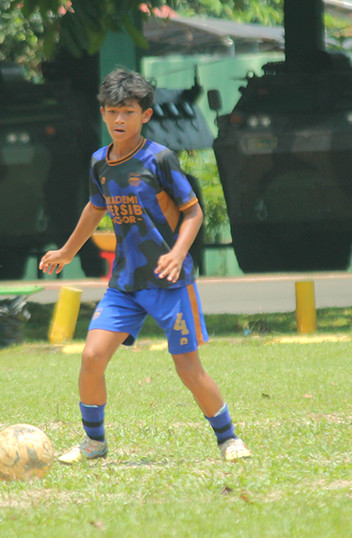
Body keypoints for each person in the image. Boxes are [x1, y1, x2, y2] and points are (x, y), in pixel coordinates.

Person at [40, 68, 251, 464]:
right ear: (103, 113)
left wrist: (177, 254)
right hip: (125, 283)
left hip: (170, 283)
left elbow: (193, 213)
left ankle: (229, 439)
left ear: (146, 115)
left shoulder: (160, 159)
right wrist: (67, 252)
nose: (119, 119)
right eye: (112, 111)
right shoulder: (99, 162)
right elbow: (95, 208)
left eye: (128, 112)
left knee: (187, 368)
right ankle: (94, 443)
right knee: (91, 357)